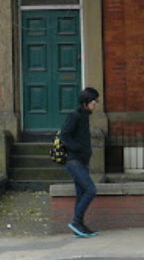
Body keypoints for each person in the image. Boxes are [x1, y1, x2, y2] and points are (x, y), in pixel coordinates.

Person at [60, 87, 100, 238]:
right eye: (93, 101)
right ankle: (76, 222)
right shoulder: (75, 116)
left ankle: (79, 227)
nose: (95, 104)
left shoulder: (85, 117)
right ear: (86, 102)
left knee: (81, 193)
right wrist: (77, 148)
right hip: (74, 161)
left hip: (81, 161)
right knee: (91, 190)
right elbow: (64, 135)